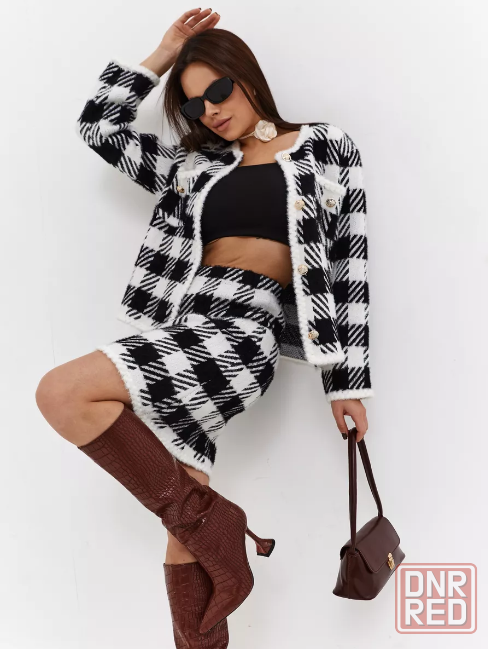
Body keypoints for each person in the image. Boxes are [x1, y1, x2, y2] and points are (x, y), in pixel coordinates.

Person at [35, 7, 374, 648]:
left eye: (218, 90)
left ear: (247, 77)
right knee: (182, 520)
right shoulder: (192, 167)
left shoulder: (325, 147)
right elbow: (98, 126)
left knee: (62, 391)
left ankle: (216, 526)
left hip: (244, 334)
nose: (211, 111)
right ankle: (204, 596)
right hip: (185, 323)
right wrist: (163, 53)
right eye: (194, 106)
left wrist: (345, 385)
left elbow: (349, 265)